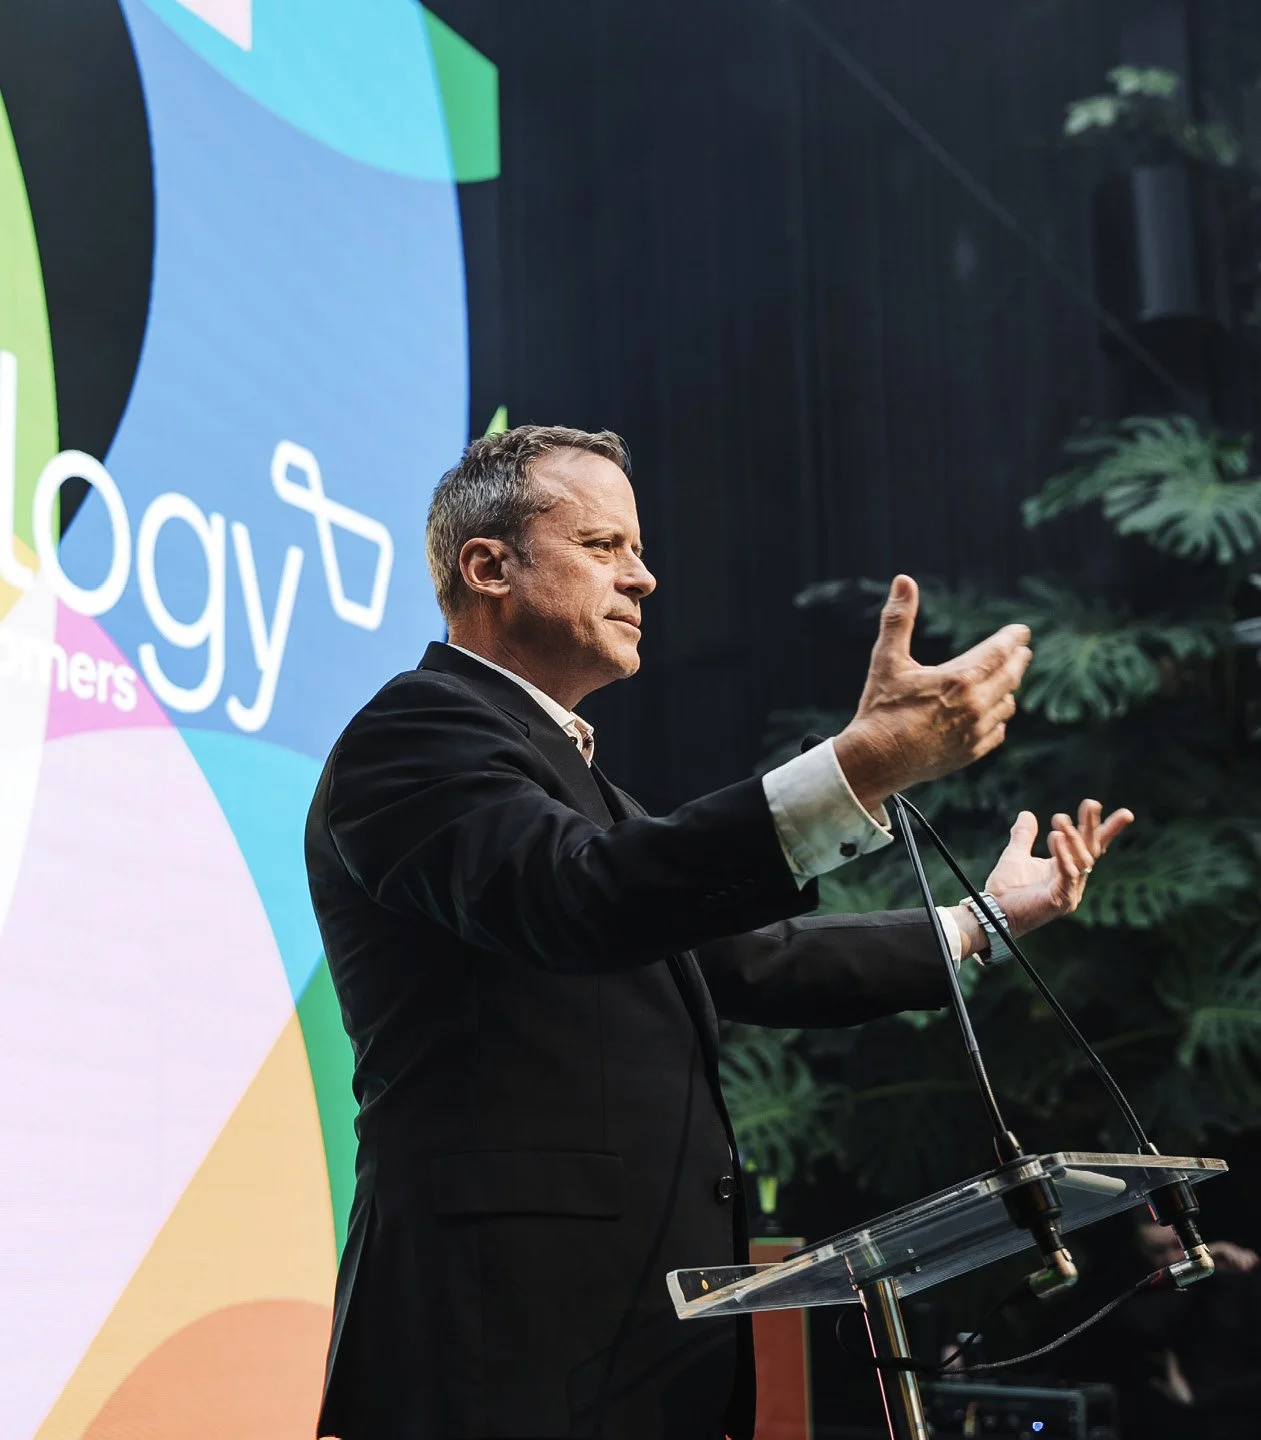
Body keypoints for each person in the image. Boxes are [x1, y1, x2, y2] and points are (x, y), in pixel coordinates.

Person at [304, 425, 1132, 1440]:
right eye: (605, 547)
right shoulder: (415, 733)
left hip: (623, 1353)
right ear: (489, 567)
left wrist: (985, 922)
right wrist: (854, 769)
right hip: (499, 1343)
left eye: (637, 551)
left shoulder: (578, 781)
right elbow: (580, 898)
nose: (643, 578)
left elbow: (750, 961)